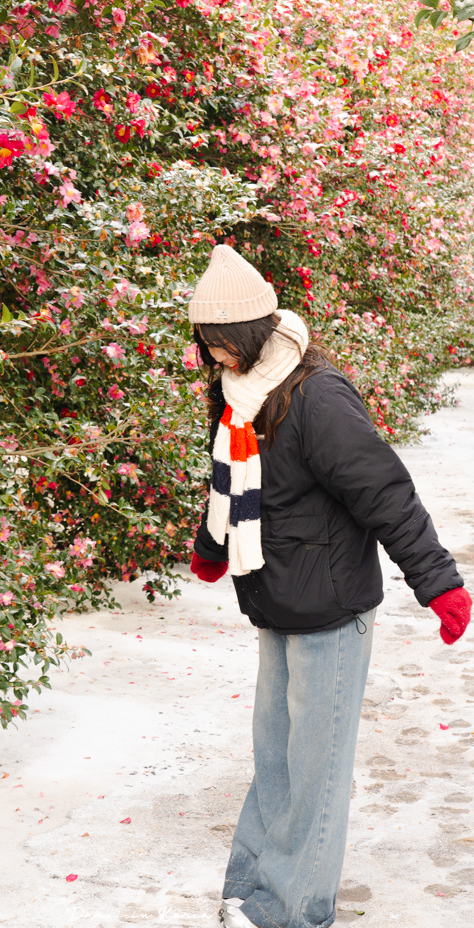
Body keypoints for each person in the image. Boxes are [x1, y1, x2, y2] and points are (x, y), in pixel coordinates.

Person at [187, 244, 471, 928]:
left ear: (253, 332)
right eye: (205, 345)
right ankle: (251, 888)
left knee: (312, 773)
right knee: (275, 758)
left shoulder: (316, 395)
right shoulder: (236, 395)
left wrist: (436, 582)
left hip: (330, 608)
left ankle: (291, 911)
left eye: (222, 343)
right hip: (274, 597)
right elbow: (227, 486)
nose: (213, 357)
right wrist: (209, 545)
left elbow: (382, 491)